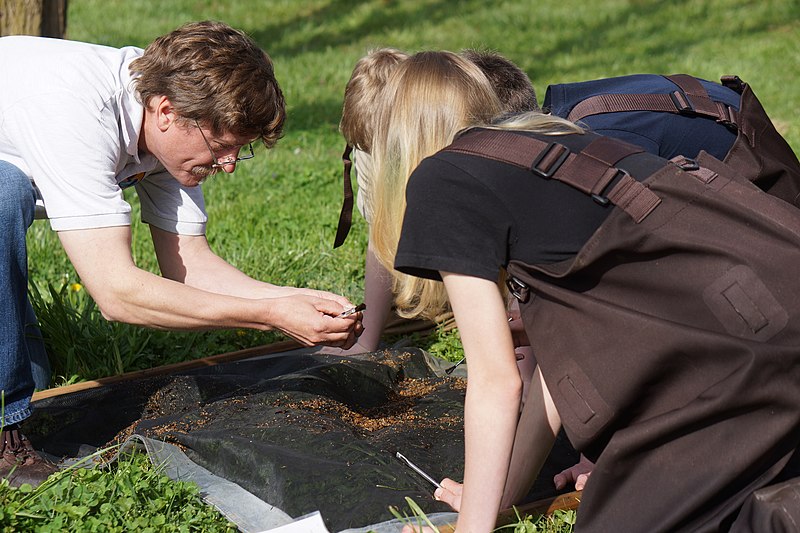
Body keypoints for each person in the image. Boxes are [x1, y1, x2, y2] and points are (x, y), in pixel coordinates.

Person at [365, 51, 800, 532]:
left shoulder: (442, 180)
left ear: (398, 137)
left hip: (734, 357)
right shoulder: (555, 140)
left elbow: (496, 383)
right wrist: (503, 497)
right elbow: (552, 375)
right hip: (772, 309)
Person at [0, 21, 362, 487]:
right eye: (223, 147)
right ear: (167, 112)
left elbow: (189, 264)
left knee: (32, 373)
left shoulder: (165, 113)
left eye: (239, 151)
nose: (228, 165)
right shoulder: (77, 110)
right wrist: (271, 315)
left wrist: (294, 299)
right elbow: (117, 293)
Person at [330, 48, 538, 356]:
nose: (385, 159)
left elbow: (514, 250)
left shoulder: (470, 147)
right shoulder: (372, 152)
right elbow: (381, 231)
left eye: (392, 150)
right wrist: (366, 340)